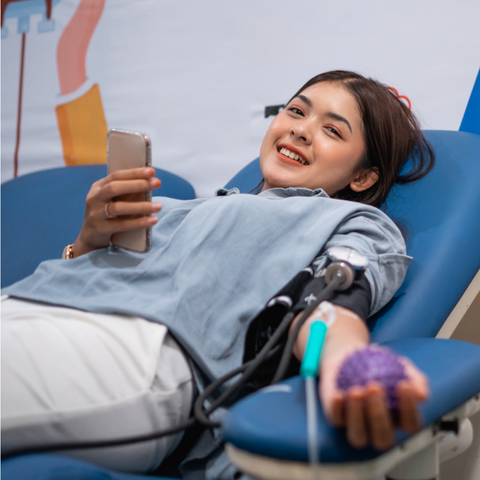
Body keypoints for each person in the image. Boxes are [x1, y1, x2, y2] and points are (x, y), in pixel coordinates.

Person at [2, 71, 434, 478]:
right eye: (296, 111)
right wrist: (89, 240)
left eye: (332, 129)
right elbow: (76, 272)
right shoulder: (174, 208)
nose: (301, 129)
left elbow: (332, 298)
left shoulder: (350, 220)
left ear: (363, 176)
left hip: (138, 351)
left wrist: (350, 362)